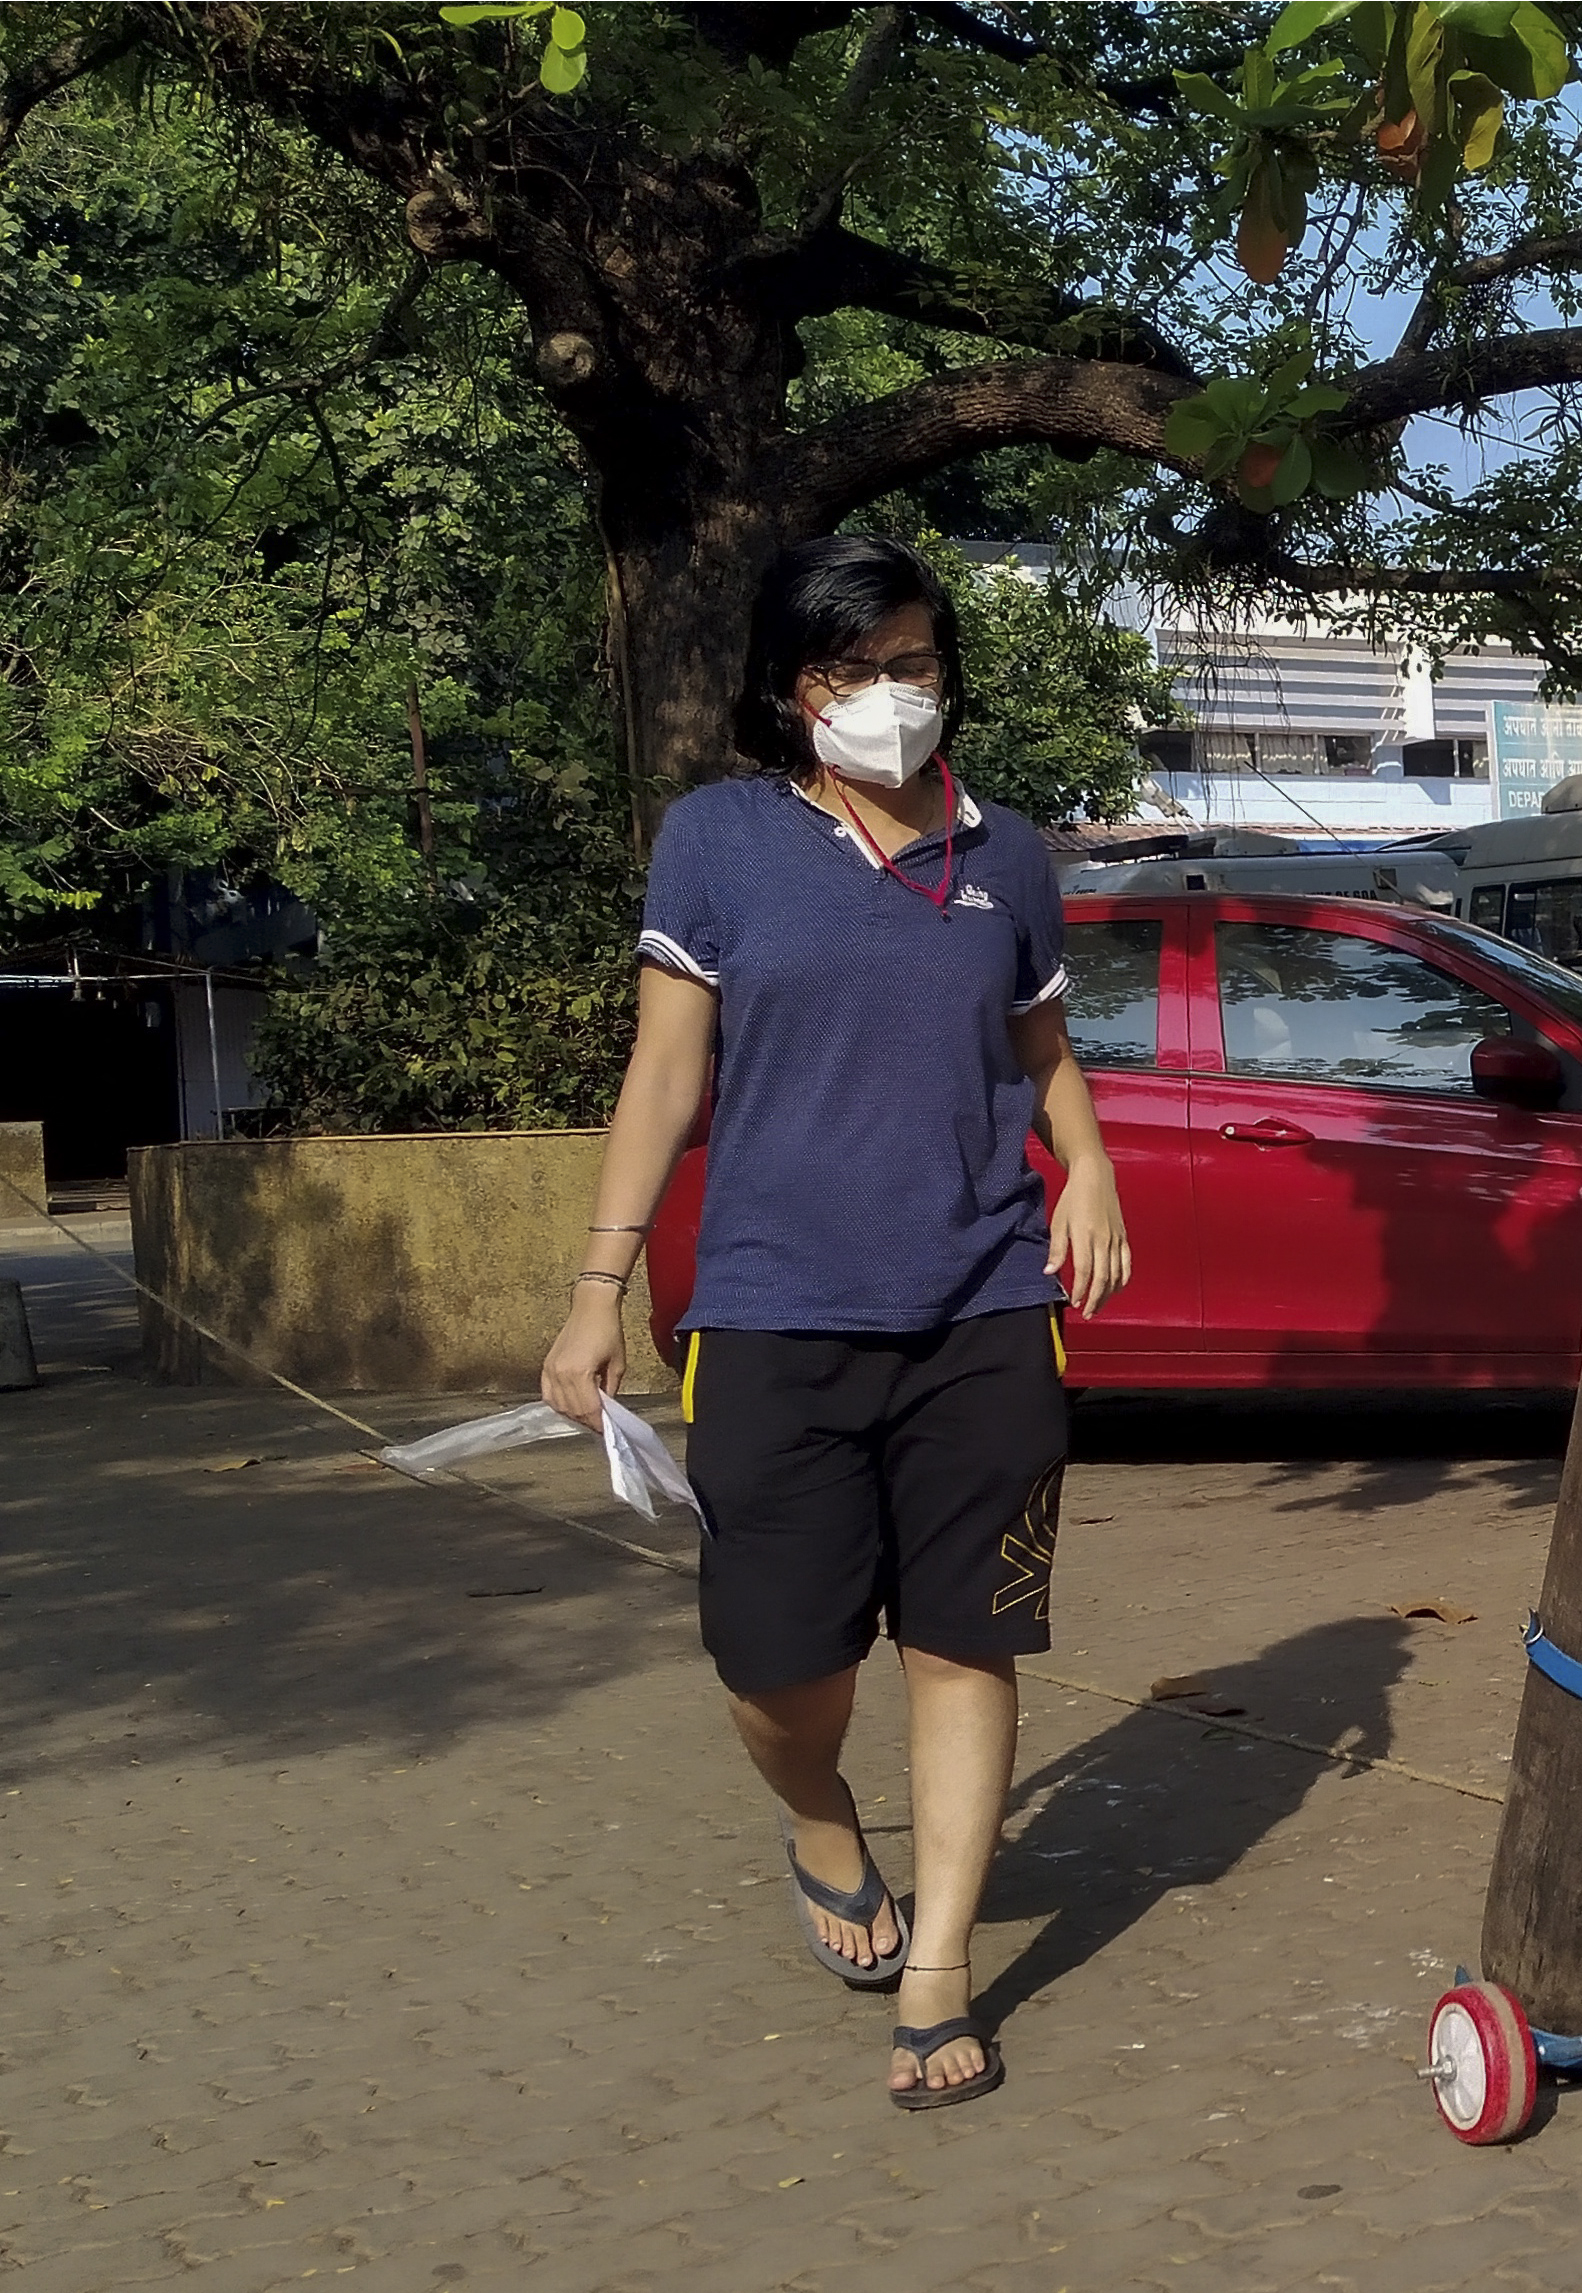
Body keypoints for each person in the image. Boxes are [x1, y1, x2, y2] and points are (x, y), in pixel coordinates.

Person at [540, 534, 1128, 2111]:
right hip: (772, 1312)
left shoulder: (1004, 850)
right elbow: (667, 1073)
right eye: (851, 670)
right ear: (792, 692)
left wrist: (1087, 1168)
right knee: (779, 1669)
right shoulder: (721, 840)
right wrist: (597, 1291)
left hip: (987, 1307)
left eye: (915, 662)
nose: (890, 696)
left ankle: (936, 1971)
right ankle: (818, 1816)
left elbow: (1043, 1044)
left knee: (966, 1639)